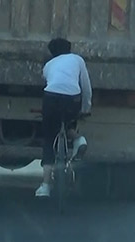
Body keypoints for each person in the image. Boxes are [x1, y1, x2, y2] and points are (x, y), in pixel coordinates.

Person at [35, 37, 92, 198]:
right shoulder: (77, 60)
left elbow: (48, 81)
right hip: (72, 98)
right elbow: (85, 86)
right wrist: (86, 107)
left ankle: (45, 185)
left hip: (51, 97)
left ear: (52, 52)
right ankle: (78, 139)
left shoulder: (48, 65)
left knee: (49, 137)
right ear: (69, 49)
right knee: (69, 122)